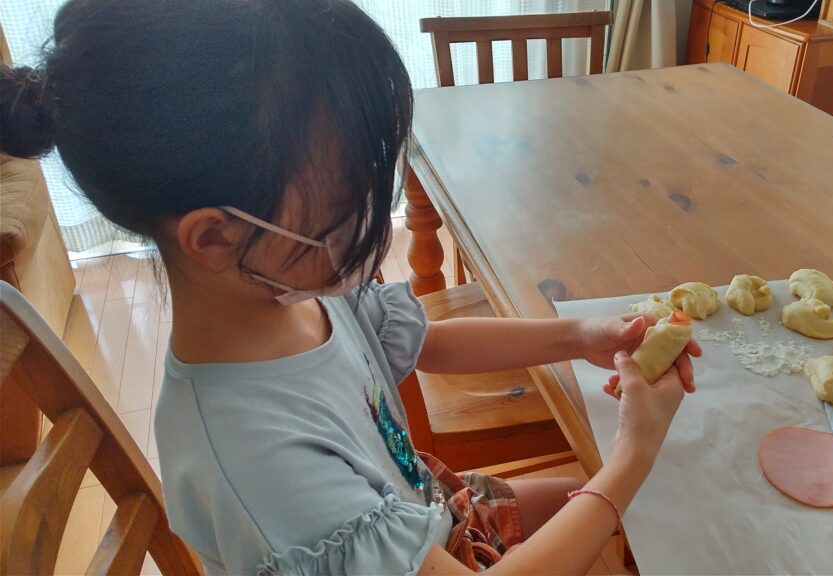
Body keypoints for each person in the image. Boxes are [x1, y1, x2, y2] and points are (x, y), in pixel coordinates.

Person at [0, 1, 701, 574]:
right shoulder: (257, 462)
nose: (372, 223)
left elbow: (429, 342)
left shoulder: (292, 290)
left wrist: (579, 336)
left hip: (432, 517)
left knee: (646, 503)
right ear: (215, 238)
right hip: (418, 548)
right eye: (343, 212)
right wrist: (631, 455)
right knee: (632, 501)